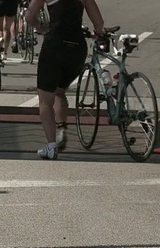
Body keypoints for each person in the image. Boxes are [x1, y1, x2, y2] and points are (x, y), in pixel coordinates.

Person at [27, 0, 105, 160]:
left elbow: (29, 16)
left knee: (45, 100)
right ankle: (62, 127)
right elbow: (99, 22)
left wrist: (40, 26)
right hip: (77, 48)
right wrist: (99, 33)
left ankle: (51, 146)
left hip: (55, 45)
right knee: (59, 91)